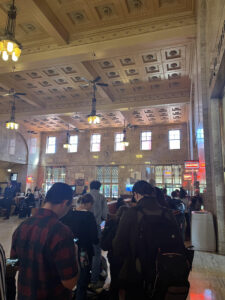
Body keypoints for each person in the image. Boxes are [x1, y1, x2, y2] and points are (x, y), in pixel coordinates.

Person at [113, 180, 185, 300]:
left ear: (136, 194)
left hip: (137, 274)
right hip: (165, 272)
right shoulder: (167, 213)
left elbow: (118, 246)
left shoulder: (132, 213)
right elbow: (179, 242)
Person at [10, 182, 79, 300]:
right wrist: (75, 253)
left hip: (25, 295)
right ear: (65, 203)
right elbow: (70, 283)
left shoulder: (22, 226)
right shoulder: (61, 232)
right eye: (70, 206)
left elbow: (14, 264)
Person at [61, 194, 98, 300]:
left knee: (69, 274)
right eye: (91, 204)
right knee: (83, 276)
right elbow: (94, 237)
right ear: (88, 204)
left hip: (69, 250)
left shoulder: (69, 214)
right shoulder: (89, 216)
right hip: (84, 251)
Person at [101, 206, 129, 300]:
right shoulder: (133, 225)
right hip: (129, 258)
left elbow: (104, 245)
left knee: (115, 280)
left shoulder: (113, 225)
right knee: (126, 281)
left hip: (114, 256)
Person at [89, 180, 108, 289]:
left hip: (84, 228)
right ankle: (94, 280)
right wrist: (102, 227)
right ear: (99, 187)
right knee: (96, 253)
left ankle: (84, 277)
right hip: (96, 227)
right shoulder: (101, 197)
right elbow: (105, 215)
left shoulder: (84, 196)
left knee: (84, 251)